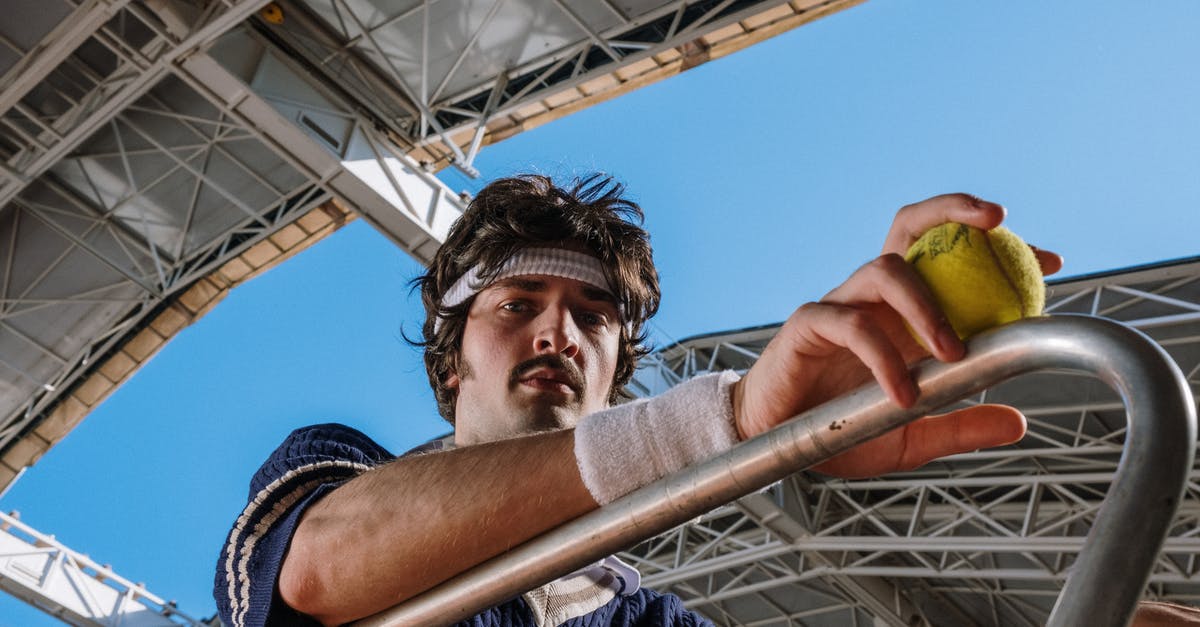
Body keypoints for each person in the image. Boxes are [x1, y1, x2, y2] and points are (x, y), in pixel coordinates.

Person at [216, 174, 1073, 626]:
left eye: (593, 317)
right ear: (451, 367)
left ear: (617, 373)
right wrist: (731, 422)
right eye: (518, 307)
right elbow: (318, 566)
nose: (560, 334)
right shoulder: (329, 474)